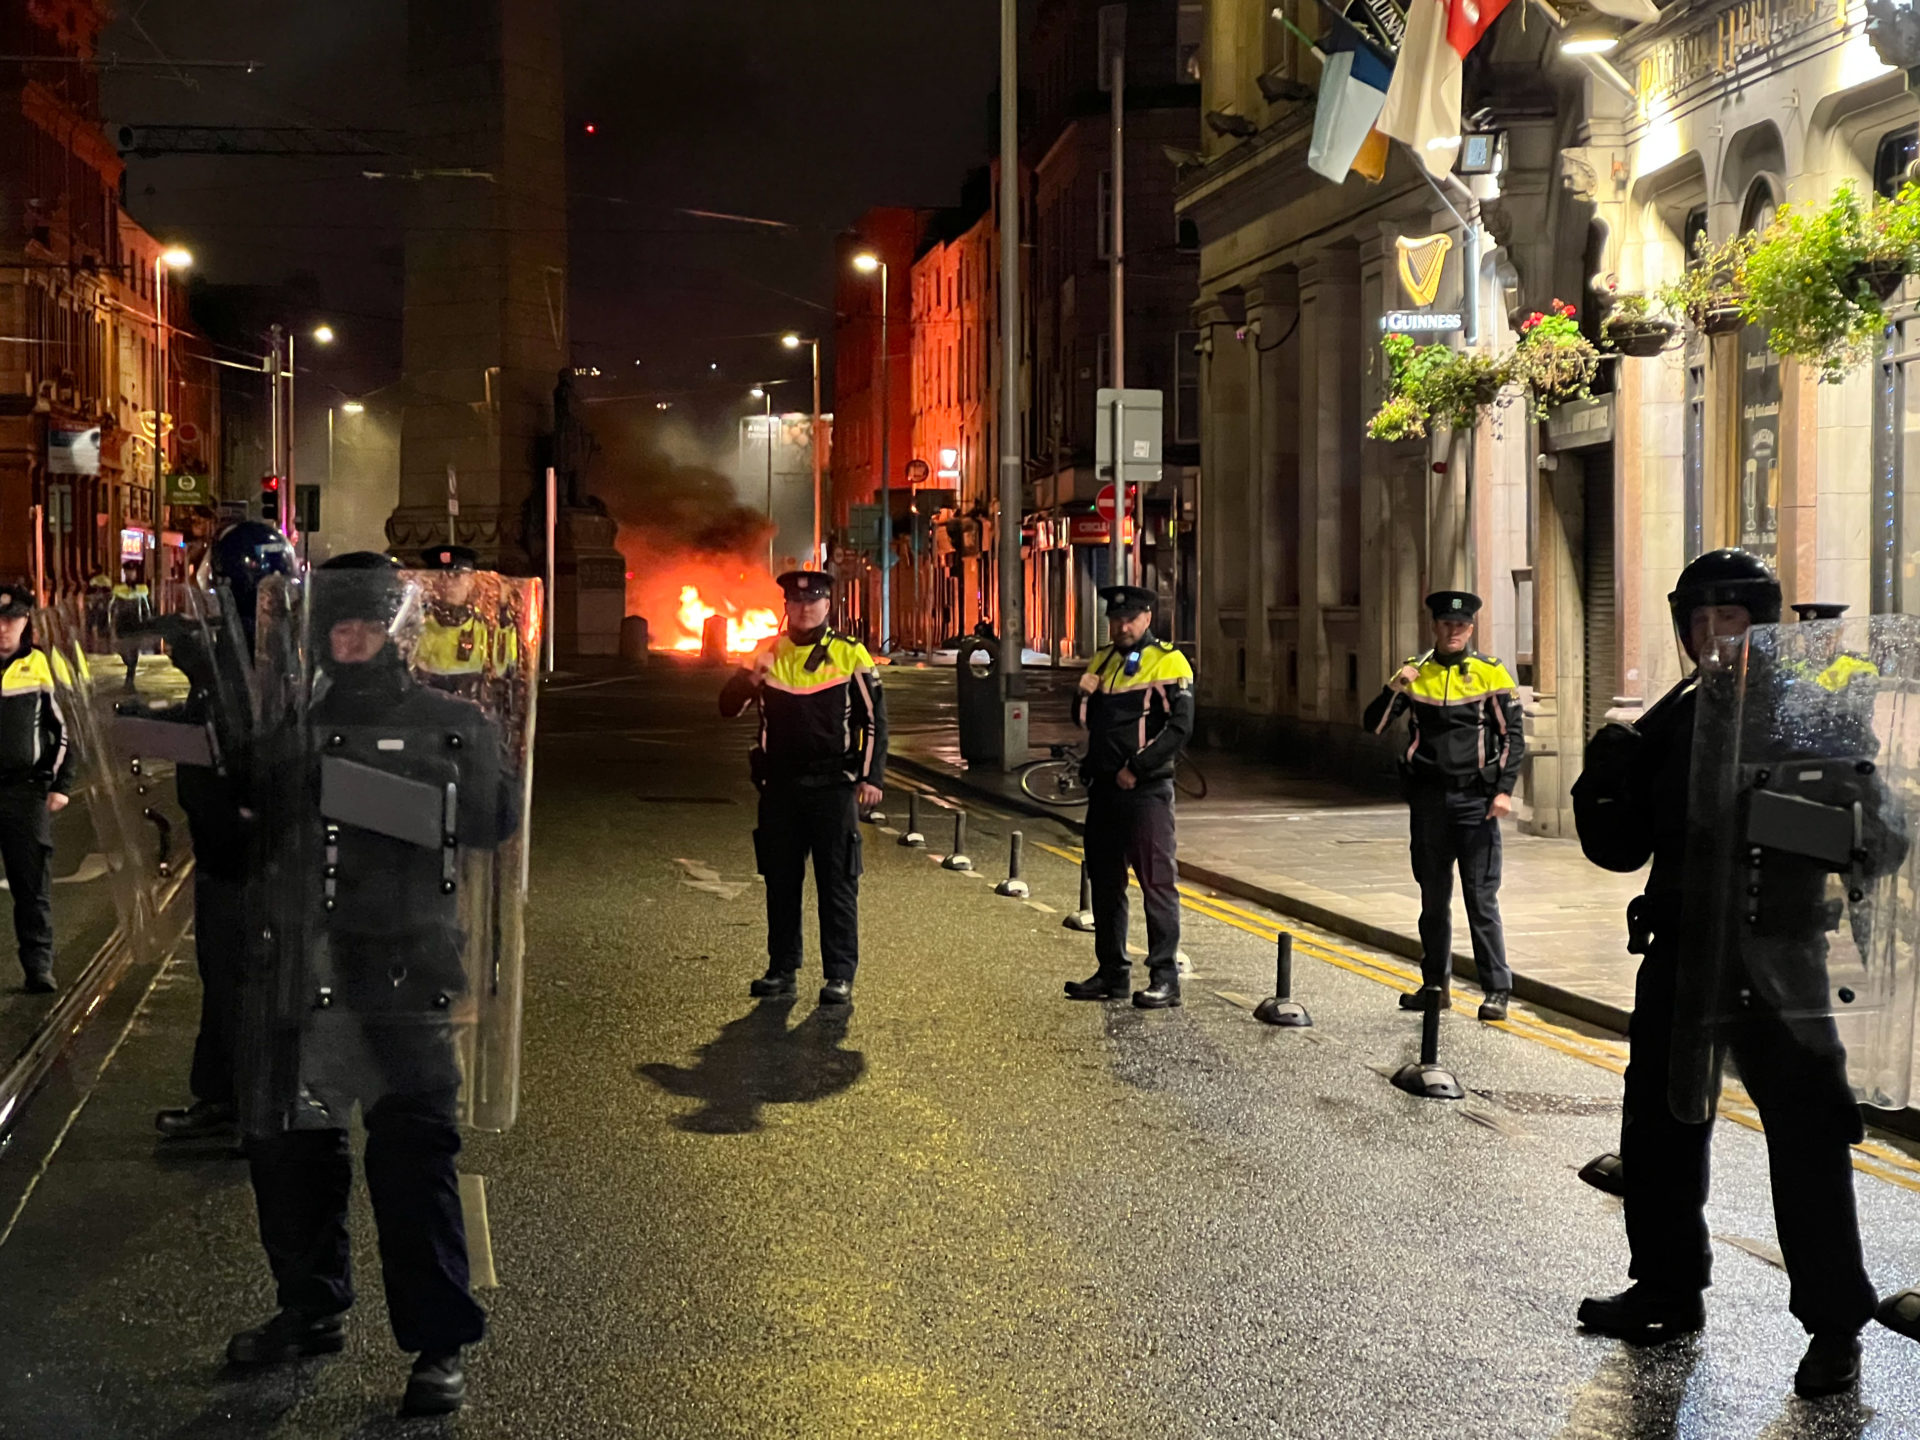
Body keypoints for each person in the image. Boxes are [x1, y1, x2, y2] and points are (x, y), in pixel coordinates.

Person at [1570, 548, 1883, 1399]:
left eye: (1731, 623)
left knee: (1809, 1139)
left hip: (1781, 955)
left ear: (1764, 627)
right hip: (1681, 947)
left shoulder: (1816, 718)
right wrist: (1610, 767)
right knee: (1660, 1128)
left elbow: (1879, 841)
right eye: (1700, 624)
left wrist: (1816, 822)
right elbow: (1617, 846)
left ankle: (1834, 1323)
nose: (1715, 640)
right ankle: (1668, 1288)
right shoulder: (1674, 719)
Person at [229, 553, 517, 1417]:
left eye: (364, 627)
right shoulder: (291, 724)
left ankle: (439, 1344)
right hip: (304, 964)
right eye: (337, 628)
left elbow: (493, 821)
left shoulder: (452, 719)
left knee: (413, 1157)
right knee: (293, 1152)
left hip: (409, 968)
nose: (349, 642)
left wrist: (385, 791)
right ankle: (309, 1307)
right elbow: (244, 846)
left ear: (397, 634)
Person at [153, 521, 297, 1141]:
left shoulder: (269, 653)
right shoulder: (229, 649)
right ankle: (221, 1095)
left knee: (251, 984)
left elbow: (249, 746)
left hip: (255, 851)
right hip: (221, 849)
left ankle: (254, 1107)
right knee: (222, 977)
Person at [720, 570, 886, 1006]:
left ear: (828, 606)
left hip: (833, 787)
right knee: (781, 882)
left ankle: (839, 975)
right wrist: (750, 678)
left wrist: (871, 778)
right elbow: (726, 707)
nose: (805, 607)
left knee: (837, 884)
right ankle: (782, 969)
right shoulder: (767, 651)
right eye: (796, 602)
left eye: (814, 601)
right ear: (786, 607)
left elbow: (873, 722)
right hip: (780, 788)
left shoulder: (851, 655)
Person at [1361, 590, 1525, 1022]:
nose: (1454, 631)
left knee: (1481, 901)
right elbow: (1374, 725)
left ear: (1471, 629)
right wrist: (1396, 686)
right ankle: (1435, 986)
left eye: (1462, 625)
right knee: (1433, 900)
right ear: (1434, 626)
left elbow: (1513, 739)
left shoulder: (1490, 674)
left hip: (1476, 801)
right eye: (1446, 624)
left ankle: (1496, 990)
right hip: (1429, 801)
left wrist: (1504, 789)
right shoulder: (1415, 672)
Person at [1063, 584, 1194, 1010]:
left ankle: (1164, 977)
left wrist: (1136, 768)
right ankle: (1112, 973)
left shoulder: (1168, 661)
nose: (1120, 626)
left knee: (1156, 883)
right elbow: (1087, 722)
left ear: (1147, 618)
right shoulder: (1102, 660)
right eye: (1115, 619)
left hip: (1146, 791)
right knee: (1104, 884)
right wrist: (1081, 695)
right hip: (1103, 790)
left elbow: (1178, 728)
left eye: (1129, 619)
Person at [0, 581, 74, 994]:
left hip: (24, 793)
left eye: (12, 620)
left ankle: (38, 965)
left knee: (32, 887)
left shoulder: (42, 665)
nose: (3, 629)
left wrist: (60, 783)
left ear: (26, 621)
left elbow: (65, 728)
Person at [415, 544, 517, 698]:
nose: (446, 582)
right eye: (439, 576)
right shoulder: (416, 626)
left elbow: (506, 665)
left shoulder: (488, 627)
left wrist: (503, 611)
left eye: (455, 575)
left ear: (470, 581)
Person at [111, 560, 151, 693]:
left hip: (136, 625)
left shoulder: (142, 589)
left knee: (133, 653)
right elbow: (111, 608)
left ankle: (130, 681)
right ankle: (129, 674)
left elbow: (147, 609)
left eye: (132, 572)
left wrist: (148, 624)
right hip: (122, 625)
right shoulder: (118, 589)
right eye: (128, 572)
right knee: (124, 652)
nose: (130, 574)